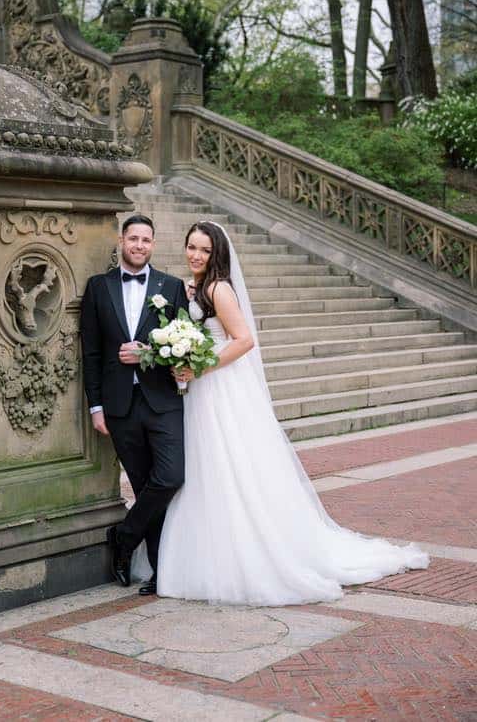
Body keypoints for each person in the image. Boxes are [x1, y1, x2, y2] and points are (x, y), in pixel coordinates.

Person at [158, 221, 429, 605]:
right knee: (207, 467)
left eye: (204, 249)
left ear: (217, 253)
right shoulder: (197, 288)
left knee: (227, 464)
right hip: (202, 392)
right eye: (191, 247)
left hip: (220, 387)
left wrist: (200, 367)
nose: (196, 255)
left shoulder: (219, 289)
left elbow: (245, 340)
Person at [80, 214, 188, 596]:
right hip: (119, 406)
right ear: (121, 241)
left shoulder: (171, 287)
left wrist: (149, 355)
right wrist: (96, 407)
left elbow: (184, 345)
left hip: (162, 401)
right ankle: (161, 571)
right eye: (133, 238)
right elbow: (90, 352)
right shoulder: (98, 287)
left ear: (153, 245)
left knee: (171, 477)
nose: (139, 245)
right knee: (144, 488)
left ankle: (124, 537)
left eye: (146, 240)